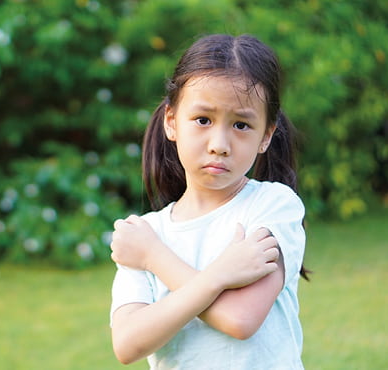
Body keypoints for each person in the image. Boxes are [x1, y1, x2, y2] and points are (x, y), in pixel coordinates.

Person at [109, 34, 307, 369]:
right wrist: (220, 275)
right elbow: (128, 344)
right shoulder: (146, 234)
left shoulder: (272, 206)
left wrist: (154, 257)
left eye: (241, 124)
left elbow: (240, 320)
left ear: (266, 136)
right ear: (172, 122)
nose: (219, 144)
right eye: (203, 120)